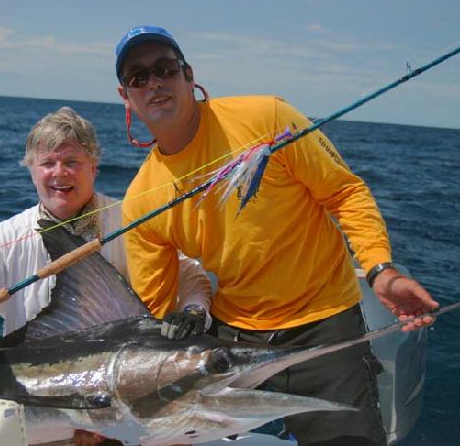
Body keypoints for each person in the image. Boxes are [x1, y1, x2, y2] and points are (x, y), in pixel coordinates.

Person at [115, 25, 439, 446]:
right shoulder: (140, 200)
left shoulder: (267, 117)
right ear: (126, 97)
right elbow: (154, 310)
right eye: (138, 77)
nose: (154, 82)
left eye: (165, 68)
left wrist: (380, 269)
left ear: (189, 76)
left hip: (323, 326)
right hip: (232, 340)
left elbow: (345, 192)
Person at [0, 106, 213, 446]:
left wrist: (194, 310)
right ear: (31, 170)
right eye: (47, 163)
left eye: (72, 162)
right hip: (42, 408)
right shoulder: (8, 235)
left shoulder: (131, 222)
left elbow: (190, 275)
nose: (59, 173)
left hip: (126, 409)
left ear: (94, 167)